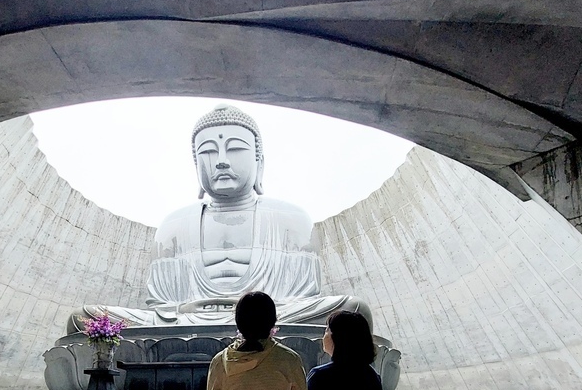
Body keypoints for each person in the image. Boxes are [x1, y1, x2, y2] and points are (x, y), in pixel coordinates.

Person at [68, 103, 370, 330]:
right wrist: (192, 311)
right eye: (208, 152)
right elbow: (162, 307)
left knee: (353, 311)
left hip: (272, 323)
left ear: (258, 161)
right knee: (83, 318)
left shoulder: (292, 220)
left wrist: (260, 315)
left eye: (235, 149)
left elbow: (302, 301)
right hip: (189, 323)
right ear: (195, 164)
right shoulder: (174, 225)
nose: (222, 161)